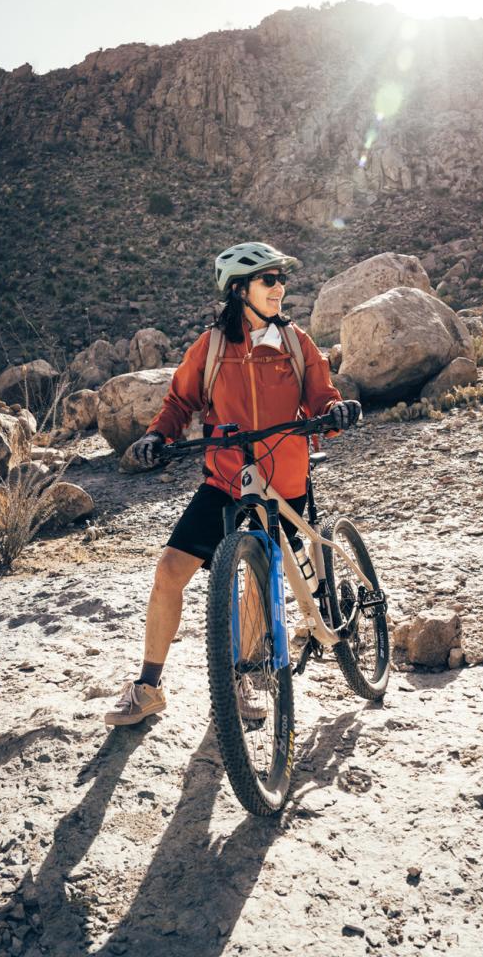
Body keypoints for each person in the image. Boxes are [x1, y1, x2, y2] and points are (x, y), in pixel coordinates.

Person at [105, 241, 361, 726]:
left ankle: (241, 679)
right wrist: (156, 436)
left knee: (260, 585)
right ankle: (147, 687)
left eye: (282, 279)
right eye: (270, 280)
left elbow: (322, 397)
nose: (280, 288)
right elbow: (180, 402)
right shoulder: (214, 347)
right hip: (225, 480)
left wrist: (335, 413)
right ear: (239, 289)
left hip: (284, 482)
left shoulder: (296, 343)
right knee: (169, 571)